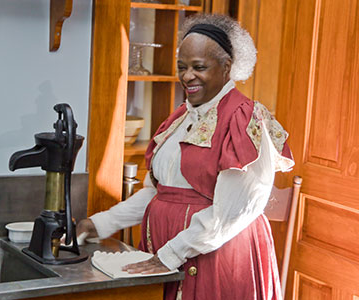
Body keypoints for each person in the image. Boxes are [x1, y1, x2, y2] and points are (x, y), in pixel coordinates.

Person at [77, 13, 294, 300]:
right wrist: (102, 223)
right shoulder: (180, 118)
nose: (187, 76)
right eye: (182, 67)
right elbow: (159, 193)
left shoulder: (244, 118)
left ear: (227, 67)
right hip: (170, 256)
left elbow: (233, 212)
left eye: (199, 67)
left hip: (218, 259)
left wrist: (169, 255)